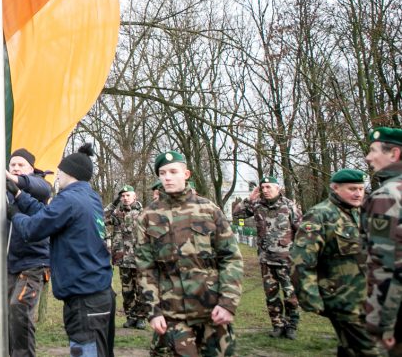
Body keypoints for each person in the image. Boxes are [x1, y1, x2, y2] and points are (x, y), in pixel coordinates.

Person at [9, 143, 115, 357]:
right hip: (101, 293)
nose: (57, 178)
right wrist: (20, 196)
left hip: (84, 298)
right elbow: (48, 214)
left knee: (86, 352)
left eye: (59, 173)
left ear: (69, 174)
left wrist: (14, 213)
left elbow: (33, 228)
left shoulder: (68, 199)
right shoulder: (90, 197)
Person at [135, 150, 243, 357]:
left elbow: (231, 258)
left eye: (173, 171)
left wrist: (228, 303)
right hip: (172, 314)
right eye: (162, 173)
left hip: (212, 311)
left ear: (186, 174)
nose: (167, 177)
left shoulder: (209, 210)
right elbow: (145, 269)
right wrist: (153, 311)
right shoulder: (148, 217)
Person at [291, 168, 379, 356]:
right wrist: (312, 300)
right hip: (340, 299)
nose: (358, 194)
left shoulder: (363, 213)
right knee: (371, 349)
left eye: (361, 189)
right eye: (352, 189)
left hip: (367, 297)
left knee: (350, 349)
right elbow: (301, 261)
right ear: (335, 188)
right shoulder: (320, 215)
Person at [232, 175, 302, 338]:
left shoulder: (288, 205)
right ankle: (277, 325)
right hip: (266, 260)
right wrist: (249, 198)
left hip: (287, 260)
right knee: (271, 296)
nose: (265, 190)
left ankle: (292, 325)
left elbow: (301, 230)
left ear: (278, 188)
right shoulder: (257, 205)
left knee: (291, 295)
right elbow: (237, 214)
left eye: (269, 187)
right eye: (262, 188)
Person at [5, 147, 53, 356]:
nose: (15, 168)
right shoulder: (3, 190)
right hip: (11, 263)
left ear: (31, 169)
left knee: (19, 307)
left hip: (35, 263)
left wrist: (17, 186)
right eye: (12, 165)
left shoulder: (40, 185)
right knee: (6, 314)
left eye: (20, 165)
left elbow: (41, 188)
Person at [362, 127, 402, 354]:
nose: (368, 157)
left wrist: (384, 323)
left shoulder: (387, 196)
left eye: (373, 150)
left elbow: (384, 265)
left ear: (394, 154)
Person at [105, 184, 148, 330]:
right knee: (127, 291)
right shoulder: (117, 214)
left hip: (140, 258)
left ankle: (141, 317)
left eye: (127, 195)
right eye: (122, 196)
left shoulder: (144, 213)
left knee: (141, 290)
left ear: (134, 196)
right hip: (123, 259)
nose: (125, 198)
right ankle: (130, 317)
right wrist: (114, 203)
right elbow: (100, 217)